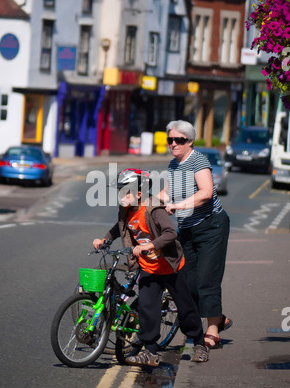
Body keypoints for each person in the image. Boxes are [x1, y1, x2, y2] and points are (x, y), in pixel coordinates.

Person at [93, 168, 209, 365]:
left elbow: (171, 233)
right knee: (147, 309)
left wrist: (149, 245)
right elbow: (120, 225)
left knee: (185, 307)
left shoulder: (153, 209)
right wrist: (105, 239)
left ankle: (199, 344)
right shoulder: (126, 209)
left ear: (139, 193)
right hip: (149, 267)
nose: (122, 195)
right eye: (120, 191)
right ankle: (151, 352)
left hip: (171, 266)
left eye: (126, 191)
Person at [159, 120, 232, 349]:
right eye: (170, 139)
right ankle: (219, 318)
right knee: (188, 283)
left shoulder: (198, 160)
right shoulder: (174, 165)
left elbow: (206, 192)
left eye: (178, 140)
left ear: (189, 141)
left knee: (206, 280)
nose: (173, 144)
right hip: (188, 230)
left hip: (211, 226)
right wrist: (146, 201)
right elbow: (166, 193)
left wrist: (179, 206)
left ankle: (212, 329)